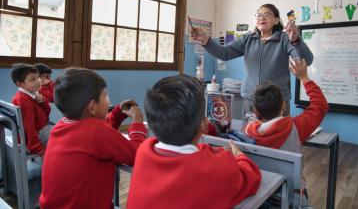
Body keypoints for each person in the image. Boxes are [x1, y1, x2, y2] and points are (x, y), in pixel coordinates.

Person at [127, 75, 261, 209]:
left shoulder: (144, 150)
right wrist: (239, 155)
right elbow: (252, 177)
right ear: (203, 125)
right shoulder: (217, 169)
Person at [39, 68, 147, 209]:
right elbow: (135, 154)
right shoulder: (96, 132)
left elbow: (98, 133)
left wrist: (118, 113)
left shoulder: (62, 125)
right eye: (106, 96)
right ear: (92, 107)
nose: (109, 101)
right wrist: (137, 122)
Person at [191, 3, 313, 117]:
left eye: (267, 15)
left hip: (277, 101)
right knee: (251, 137)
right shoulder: (248, 38)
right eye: (259, 15)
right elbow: (225, 53)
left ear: (276, 20)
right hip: (251, 99)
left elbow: (305, 60)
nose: (262, 18)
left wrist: (295, 40)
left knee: (278, 137)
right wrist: (206, 41)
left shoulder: (284, 38)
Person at [244, 58, 329, 207]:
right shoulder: (296, 127)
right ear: (283, 105)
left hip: (260, 197)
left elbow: (251, 119)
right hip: (293, 199)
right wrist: (304, 77)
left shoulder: (248, 131)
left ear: (256, 111)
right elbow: (320, 105)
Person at [11, 63, 52, 155]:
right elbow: (28, 127)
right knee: (64, 135)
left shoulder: (33, 93)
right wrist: (37, 148)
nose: (38, 81)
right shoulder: (24, 100)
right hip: (37, 134)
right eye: (32, 79)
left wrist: (43, 101)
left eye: (38, 77)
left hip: (42, 127)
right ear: (20, 84)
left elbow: (47, 113)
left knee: (62, 130)